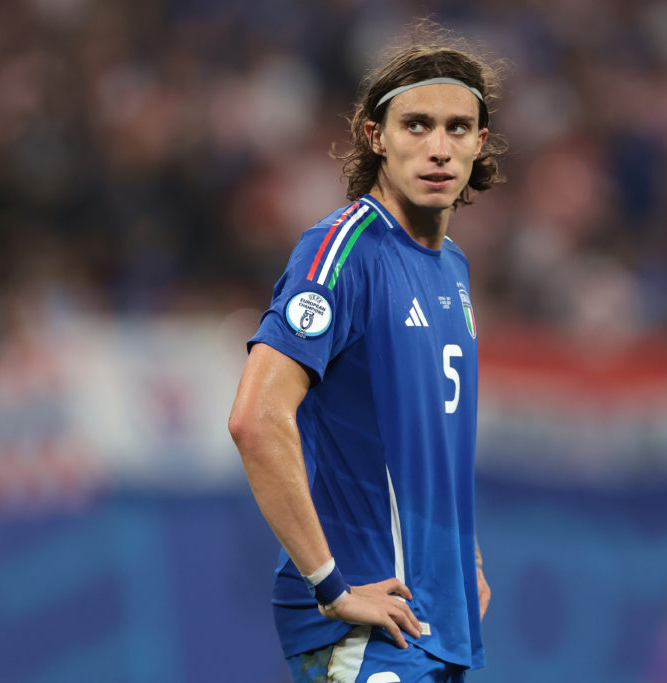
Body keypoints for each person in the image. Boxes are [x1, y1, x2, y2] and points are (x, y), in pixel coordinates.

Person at [229, 28, 506, 682]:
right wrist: (332, 584)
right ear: (374, 135)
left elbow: (425, 433)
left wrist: (465, 557)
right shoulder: (342, 251)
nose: (438, 147)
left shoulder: (453, 268)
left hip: (437, 619)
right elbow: (256, 418)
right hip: (360, 622)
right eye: (416, 125)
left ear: (480, 144)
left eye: (458, 128)